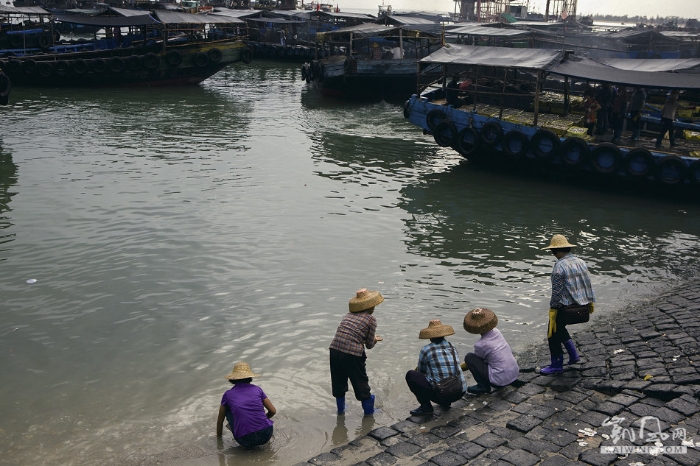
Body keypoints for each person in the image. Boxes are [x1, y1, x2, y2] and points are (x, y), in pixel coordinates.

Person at [540, 234, 596, 375]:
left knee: (552, 333)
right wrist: (590, 301)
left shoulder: (559, 267)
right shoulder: (581, 262)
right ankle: (573, 356)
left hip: (566, 308)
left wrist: (553, 308)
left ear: (555, 251)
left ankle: (556, 364)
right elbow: (587, 283)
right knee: (560, 329)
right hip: (582, 306)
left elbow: (557, 293)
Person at [329, 288, 383, 416]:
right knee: (360, 382)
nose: (374, 307)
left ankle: (341, 411)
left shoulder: (347, 316)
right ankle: (369, 413)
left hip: (335, 350)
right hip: (352, 355)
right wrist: (374, 339)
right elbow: (369, 345)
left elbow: (349, 335)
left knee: (338, 382)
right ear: (370, 306)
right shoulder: (371, 319)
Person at [405, 319, 466, 416]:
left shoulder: (426, 350)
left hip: (442, 394)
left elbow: (421, 372)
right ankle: (446, 402)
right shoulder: (452, 346)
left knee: (411, 375)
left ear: (430, 337)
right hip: (459, 391)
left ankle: (426, 407)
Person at [216, 362, 276, 448]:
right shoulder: (257, 389)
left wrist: (219, 440)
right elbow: (273, 411)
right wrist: (263, 419)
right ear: (249, 377)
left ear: (233, 379)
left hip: (245, 439)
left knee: (229, 410)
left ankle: (242, 431)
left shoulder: (228, 395)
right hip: (266, 434)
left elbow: (220, 421)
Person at [462, 308, 519, 395]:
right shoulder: (497, 332)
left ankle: (483, 386)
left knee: (469, 357)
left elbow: (478, 360)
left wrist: (459, 368)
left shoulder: (480, 344)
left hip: (499, 380)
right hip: (513, 373)